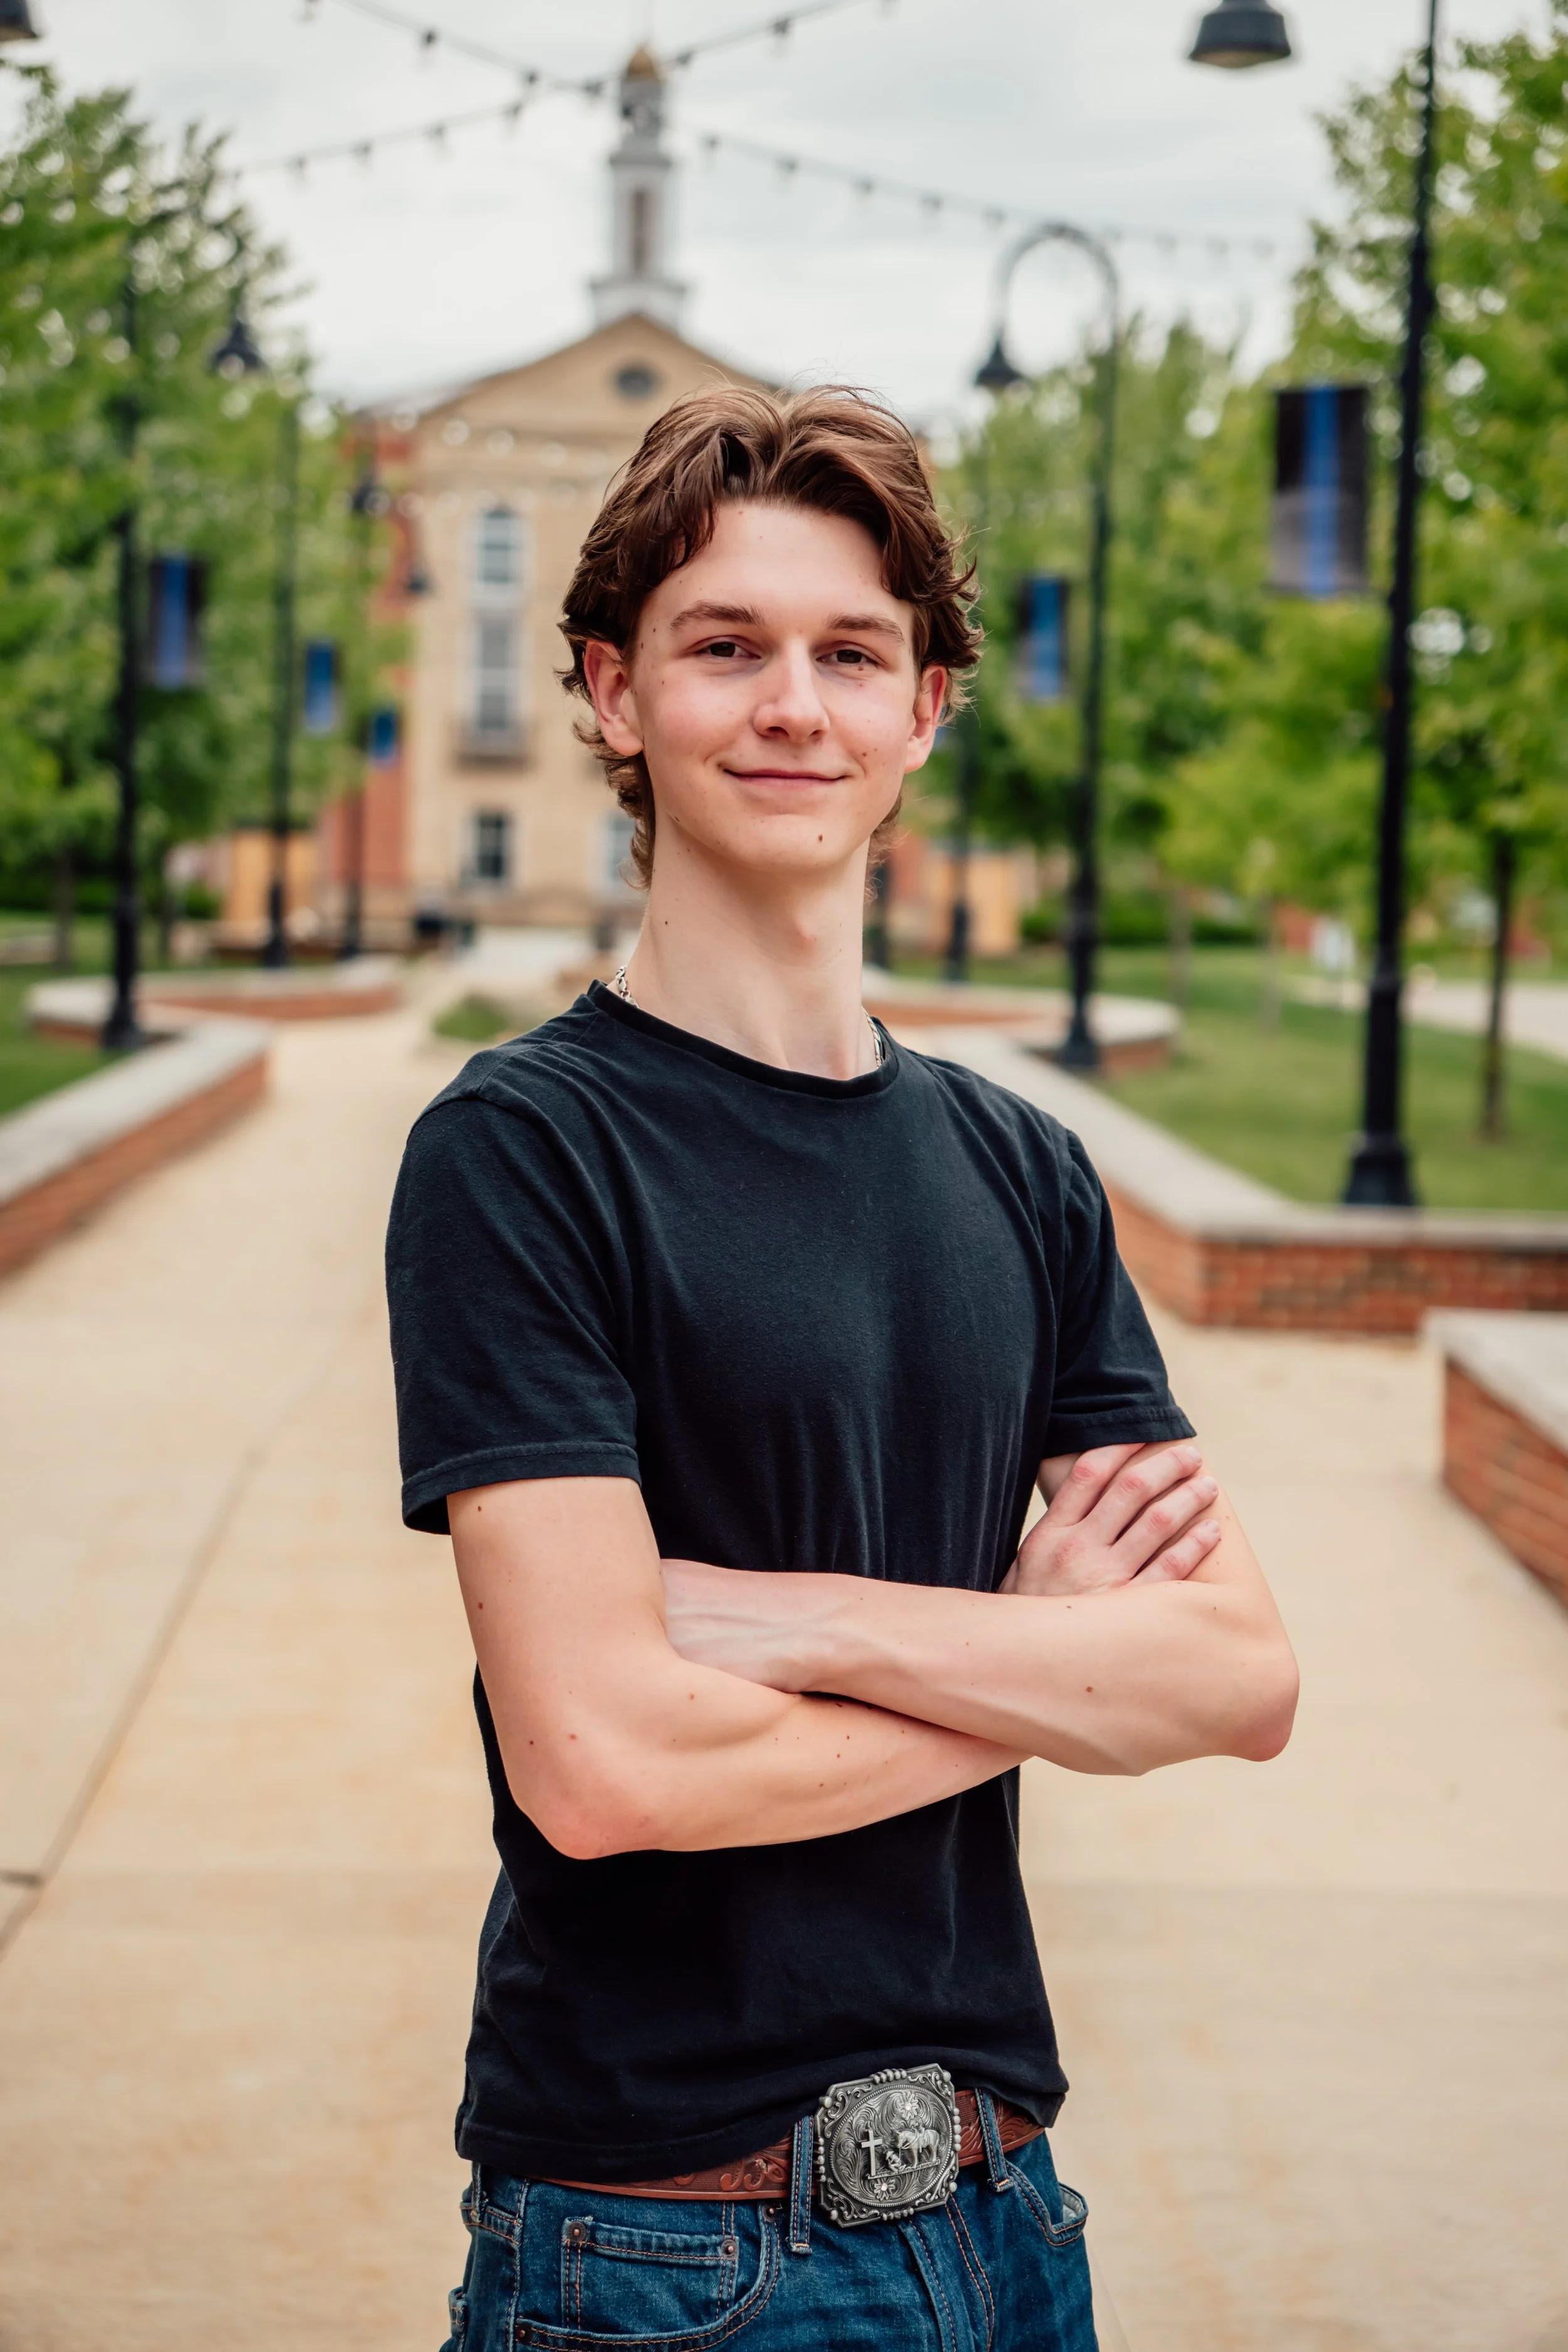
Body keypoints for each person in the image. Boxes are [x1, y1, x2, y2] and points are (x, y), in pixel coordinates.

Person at [386, 385, 1298, 2352]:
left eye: (849, 653)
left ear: (924, 711)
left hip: (1006, 2218)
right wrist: (1041, 1676)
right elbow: (607, 1763)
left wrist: (793, 1620)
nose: (791, 703)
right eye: (725, 646)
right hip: (663, 2252)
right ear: (614, 694)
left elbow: (1234, 1676)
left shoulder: (1020, 1168)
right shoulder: (524, 1153)